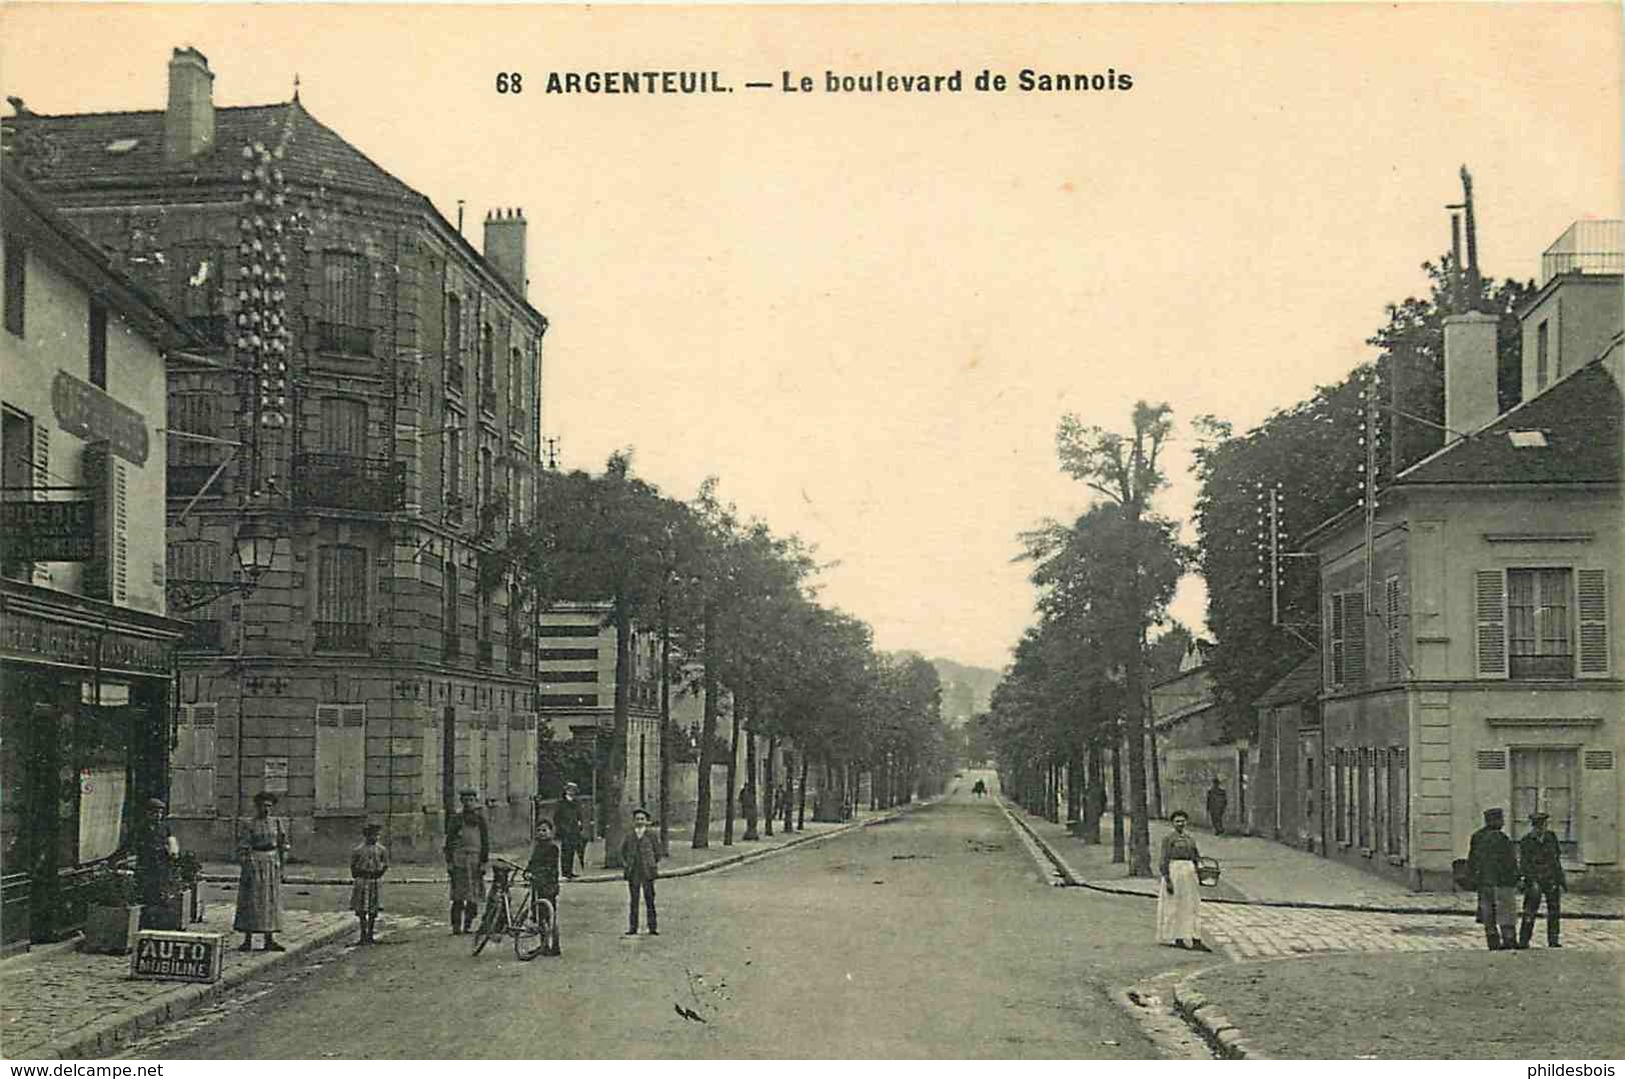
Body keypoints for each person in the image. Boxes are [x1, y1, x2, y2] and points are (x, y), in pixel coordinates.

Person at [234, 791, 289, 952]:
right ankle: (248, 939)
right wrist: (246, 863)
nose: (266, 809)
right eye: (263, 806)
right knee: (251, 899)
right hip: (254, 862)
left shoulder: (277, 823)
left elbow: (283, 843)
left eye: (269, 806)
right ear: (257, 807)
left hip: (272, 862)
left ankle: (269, 939)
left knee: (270, 900)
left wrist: (282, 863)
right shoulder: (249, 824)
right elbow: (243, 846)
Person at [1156, 810, 1210, 951]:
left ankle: (1194, 937)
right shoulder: (1168, 839)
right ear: (1173, 823)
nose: (1180, 823)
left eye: (1182, 821)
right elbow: (1164, 859)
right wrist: (1167, 879)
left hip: (1189, 872)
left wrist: (1200, 869)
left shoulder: (1190, 839)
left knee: (1191, 904)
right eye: (1177, 821)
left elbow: (1196, 856)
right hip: (1175, 871)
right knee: (1174, 904)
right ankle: (1176, 937)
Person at [1468, 807, 1520, 950]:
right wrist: (1515, 878)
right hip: (1502, 883)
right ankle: (1509, 940)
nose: (1502, 822)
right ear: (1495, 821)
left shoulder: (1477, 837)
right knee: (1506, 913)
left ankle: (1493, 942)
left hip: (1484, 882)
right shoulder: (1502, 838)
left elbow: (1472, 860)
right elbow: (1510, 862)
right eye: (1500, 819)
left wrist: (1475, 879)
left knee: (1488, 915)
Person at [1518, 810, 1566, 949]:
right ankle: (1524, 940)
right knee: (1529, 911)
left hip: (1551, 879)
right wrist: (1530, 881)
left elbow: (1556, 860)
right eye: (1537, 826)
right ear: (1533, 826)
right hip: (1534, 880)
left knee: (1554, 911)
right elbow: (1525, 864)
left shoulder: (1551, 838)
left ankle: (1553, 940)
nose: (1540, 829)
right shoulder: (1527, 841)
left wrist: (1560, 880)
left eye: (1543, 825)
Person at [445, 787, 489, 935]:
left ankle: (468, 925)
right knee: (458, 896)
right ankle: (456, 926)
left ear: (475, 801)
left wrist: (483, 862)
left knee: (473, 896)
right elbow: (449, 841)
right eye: (465, 800)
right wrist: (450, 862)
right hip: (459, 860)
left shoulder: (480, 819)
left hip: (475, 861)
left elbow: (485, 842)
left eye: (471, 800)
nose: (468, 803)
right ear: (461, 802)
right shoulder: (456, 819)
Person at [136, 798, 179, 927]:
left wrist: (172, 851)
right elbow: (134, 843)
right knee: (148, 893)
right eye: (155, 813)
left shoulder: (165, 827)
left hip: (163, 864)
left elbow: (172, 842)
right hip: (147, 864)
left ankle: (162, 922)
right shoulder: (141, 826)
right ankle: (147, 922)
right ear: (148, 813)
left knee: (163, 892)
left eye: (160, 813)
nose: (158, 816)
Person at [620, 807, 661, 935]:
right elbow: (623, 851)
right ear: (634, 821)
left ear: (646, 821)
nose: (639, 821)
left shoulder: (652, 835)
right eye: (637, 819)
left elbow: (657, 852)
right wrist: (627, 863)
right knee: (634, 900)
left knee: (650, 899)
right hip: (634, 871)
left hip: (647, 871)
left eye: (642, 819)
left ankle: (652, 927)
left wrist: (651, 863)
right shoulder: (630, 835)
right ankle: (633, 928)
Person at [527, 817, 563, 956]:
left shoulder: (552, 848)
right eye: (539, 830)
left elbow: (550, 867)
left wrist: (536, 873)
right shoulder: (538, 847)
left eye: (544, 830)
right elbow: (532, 863)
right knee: (540, 915)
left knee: (550, 916)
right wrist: (528, 871)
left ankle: (555, 945)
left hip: (548, 885)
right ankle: (544, 945)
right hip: (538, 884)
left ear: (550, 832)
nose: (542, 833)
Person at [349, 822, 389, 945]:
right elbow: (353, 866)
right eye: (373, 835)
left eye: (377, 835)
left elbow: (385, 864)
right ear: (367, 836)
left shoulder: (381, 850)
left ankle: (370, 934)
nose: (375, 838)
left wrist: (379, 873)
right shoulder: (358, 850)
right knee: (362, 909)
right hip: (362, 881)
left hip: (374, 881)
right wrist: (359, 875)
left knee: (373, 909)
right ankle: (363, 934)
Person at [555, 782, 585, 879]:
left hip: (574, 829)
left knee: (572, 850)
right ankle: (565, 871)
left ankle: (570, 871)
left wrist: (580, 823)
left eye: (574, 790)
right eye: (570, 790)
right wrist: (562, 828)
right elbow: (557, 817)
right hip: (566, 830)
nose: (572, 792)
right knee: (566, 851)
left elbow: (579, 814)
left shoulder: (576, 802)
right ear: (566, 791)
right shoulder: (561, 803)